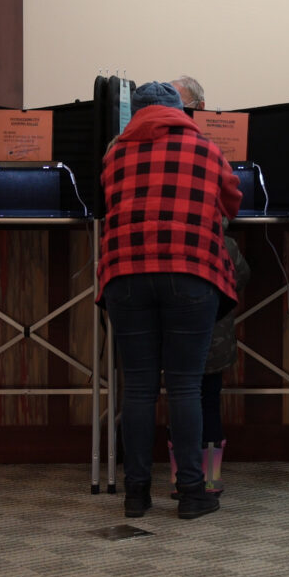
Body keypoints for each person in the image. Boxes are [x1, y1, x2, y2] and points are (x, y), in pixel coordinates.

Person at [99, 81, 241, 519]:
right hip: (189, 271)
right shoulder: (205, 147)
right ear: (182, 111)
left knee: (138, 388)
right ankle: (193, 492)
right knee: (185, 386)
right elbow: (231, 201)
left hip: (126, 274)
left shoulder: (114, 151)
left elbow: (108, 198)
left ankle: (136, 495)